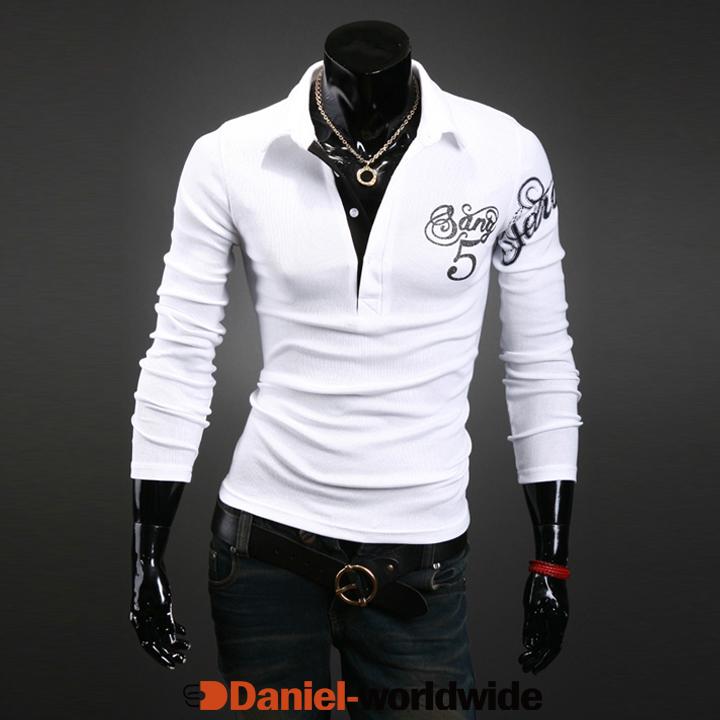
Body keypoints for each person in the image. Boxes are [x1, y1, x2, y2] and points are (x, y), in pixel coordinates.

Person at [129, 19, 582, 718]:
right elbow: (180, 353)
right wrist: (145, 553)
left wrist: (551, 557)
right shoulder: (230, 155)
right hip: (261, 550)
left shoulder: (504, 154)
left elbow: (540, 358)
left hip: (419, 561)